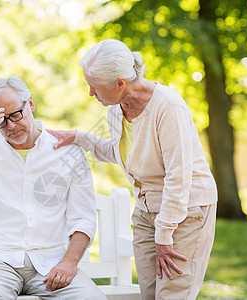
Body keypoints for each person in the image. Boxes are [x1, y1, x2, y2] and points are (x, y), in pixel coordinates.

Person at [48, 39, 218, 300]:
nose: (91, 94)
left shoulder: (168, 107)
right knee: (149, 294)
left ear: (120, 83)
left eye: (95, 87)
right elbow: (123, 153)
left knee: (172, 295)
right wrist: (78, 137)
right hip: (146, 209)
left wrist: (165, 234)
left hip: (185, 210)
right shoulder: (118, 108)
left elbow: (178, 176)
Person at [0, 76, 107, 300]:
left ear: (30, 104)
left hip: (51, 263)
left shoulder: (65, 152)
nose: (10, 126)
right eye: (1, 121)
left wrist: (69, 262)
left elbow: (83, 219)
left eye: (15, 115)